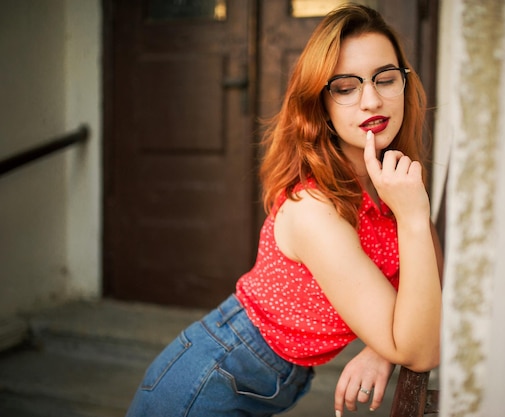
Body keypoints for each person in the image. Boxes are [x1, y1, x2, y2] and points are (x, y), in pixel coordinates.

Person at [125, 4, 442, 417]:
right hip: (211, 380)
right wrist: (415, 218)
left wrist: (381, 347)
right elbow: (421, 351)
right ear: (320, 104)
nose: (372, 99)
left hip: (262, 385)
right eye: (346, 87)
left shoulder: (385, 181)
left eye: (385, 78)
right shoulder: (314, 208)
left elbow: (427, 274)